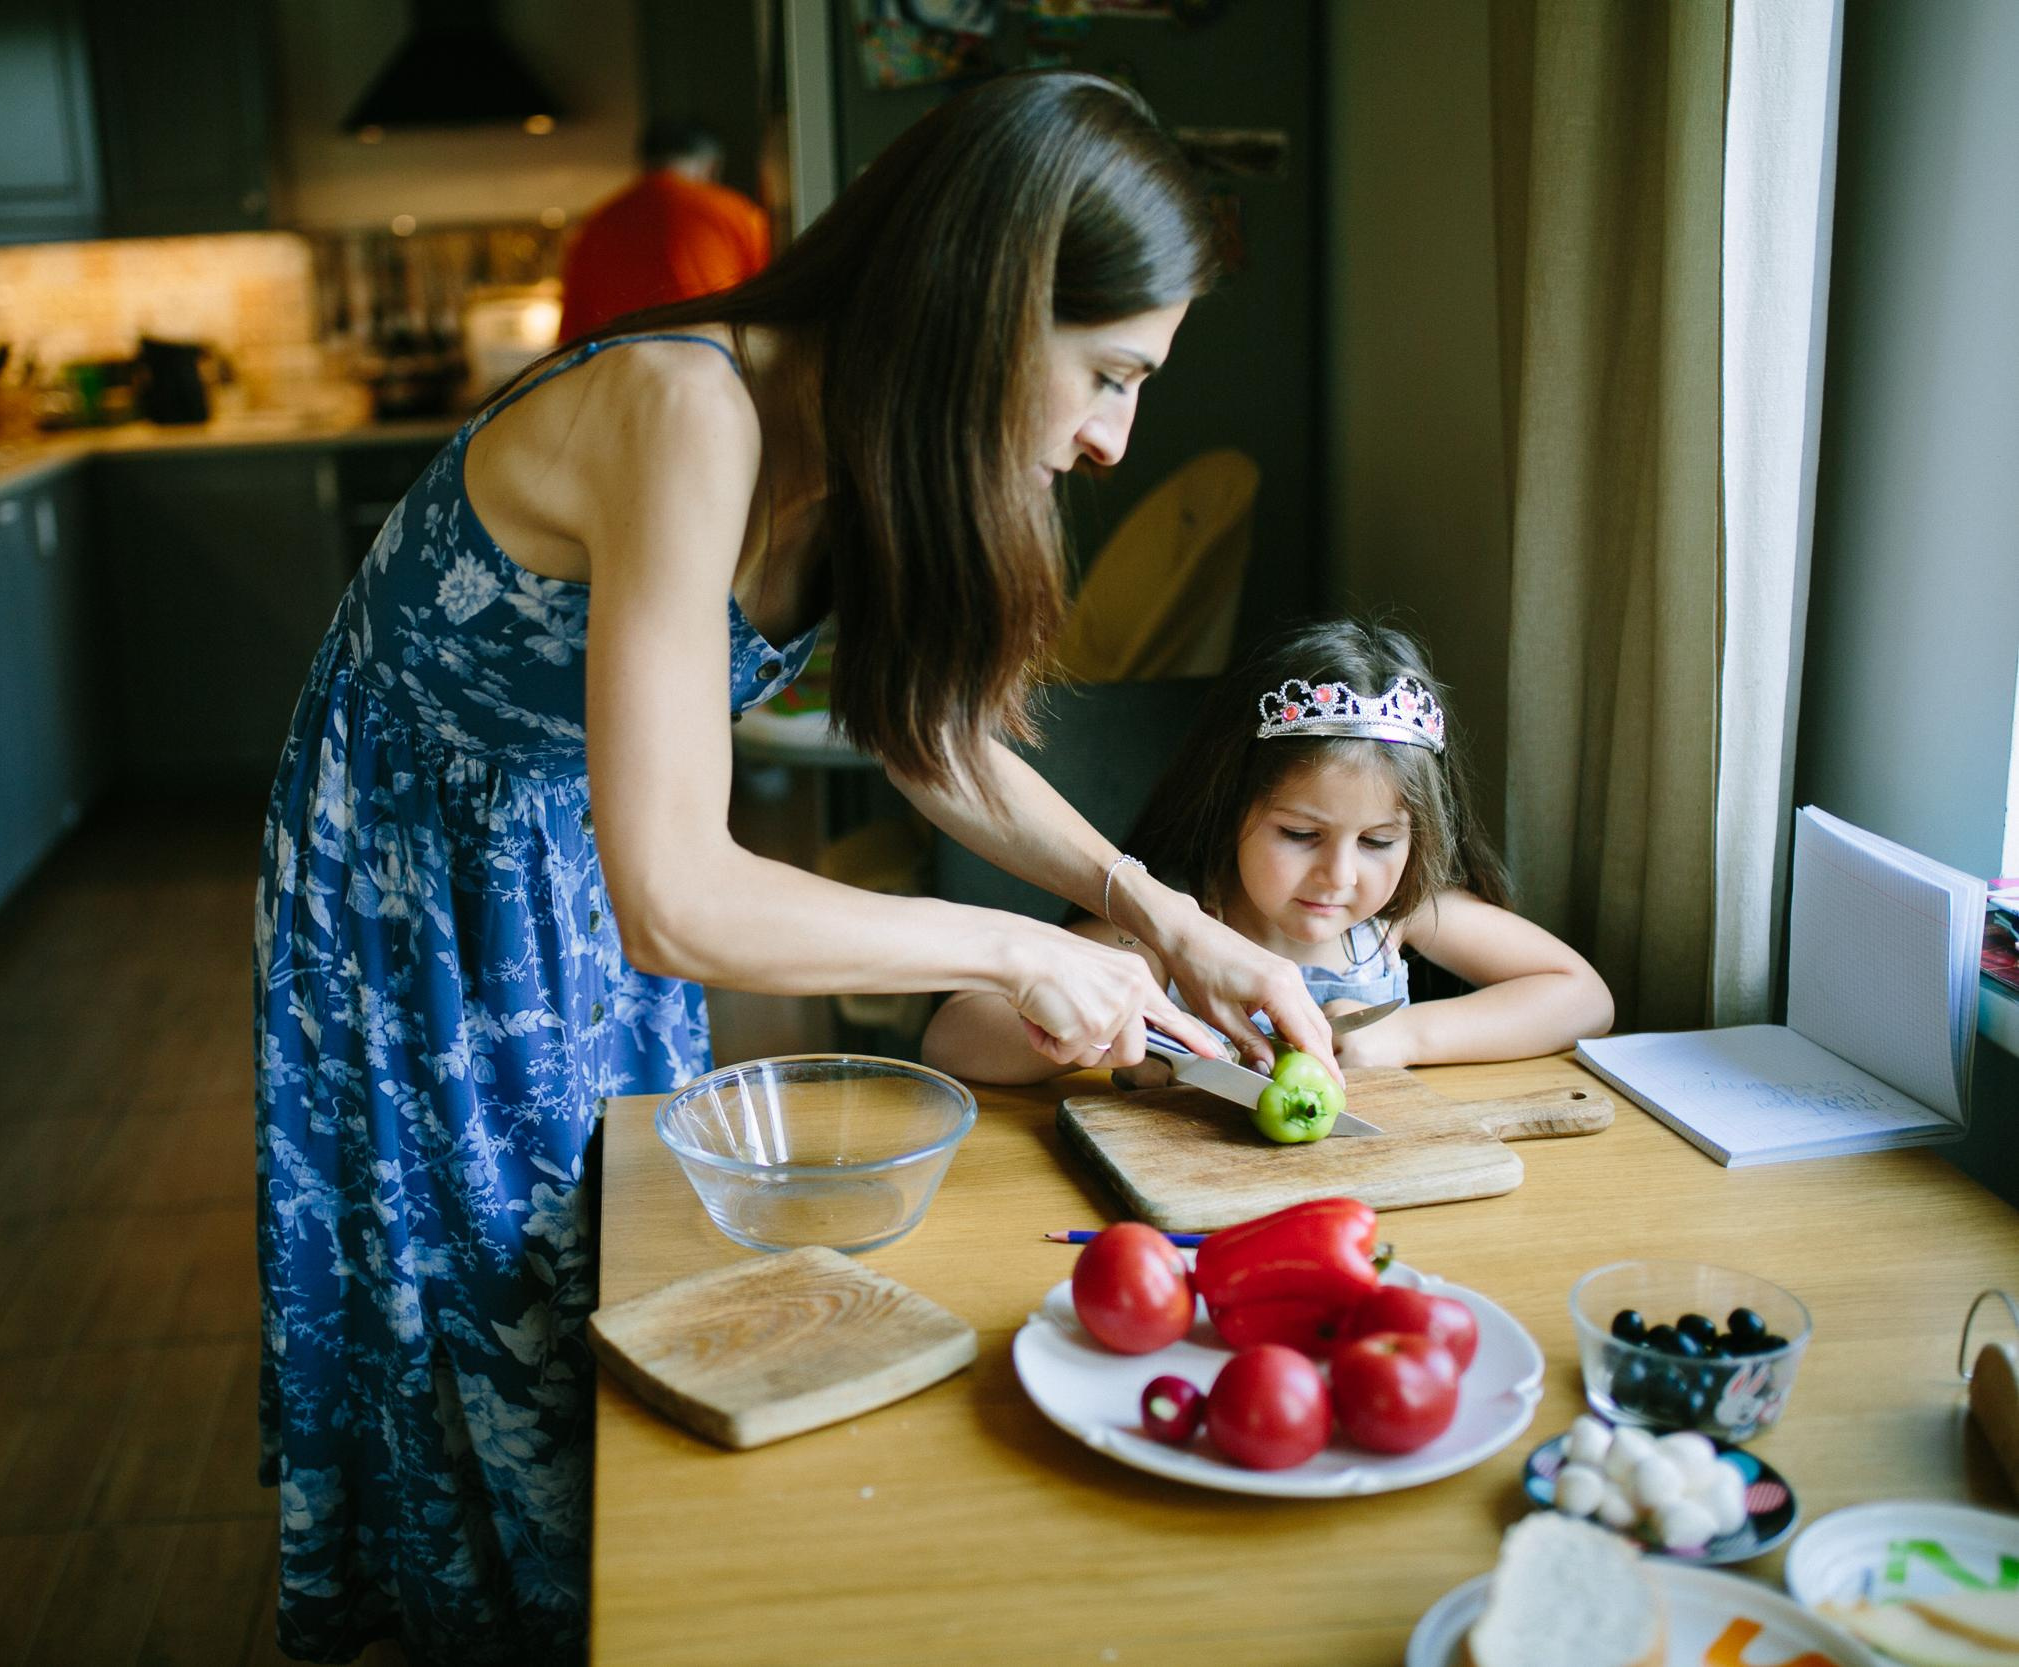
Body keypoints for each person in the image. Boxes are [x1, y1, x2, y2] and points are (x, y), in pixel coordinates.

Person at [252, 71, 1341, 1666]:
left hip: (576, 848)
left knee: (601, 1275)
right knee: (495, 1320)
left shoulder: (869, 443)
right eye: (1108, 374)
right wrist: (1013, 951)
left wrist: (1167, 920)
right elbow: (679, 897)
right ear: (990, 304)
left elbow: (935, 740)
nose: (1115, 437)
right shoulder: (689, 408)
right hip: (421, 879)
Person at [921, 619, 1617, 1085]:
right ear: (1232, 809)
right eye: (1300, 834)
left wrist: (1404, 1038)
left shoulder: (1397, 922)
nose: (1339, 876)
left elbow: (1582, 996)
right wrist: (1097, 1034)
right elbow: (952, 1036)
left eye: (1379, 841)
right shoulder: (1176, 928)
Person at [556, 119, 772, 343]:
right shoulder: (737, 213)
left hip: (621, 365)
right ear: (711, 166)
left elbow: (572, 333)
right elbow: (762, 305)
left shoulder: (597, 222)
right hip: (707, 358)